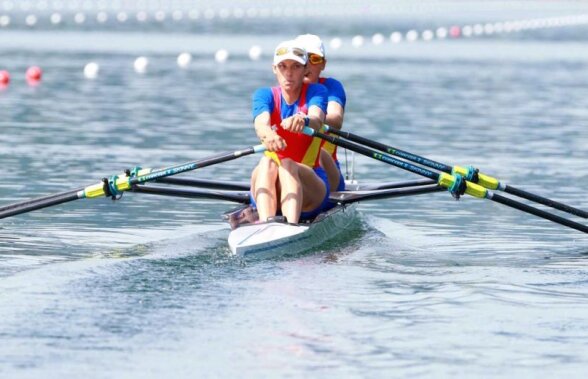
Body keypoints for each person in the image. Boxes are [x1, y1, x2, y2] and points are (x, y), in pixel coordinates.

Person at [250, 40, 330, 224]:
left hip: (312, 184)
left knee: (287, 163)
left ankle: (290, 227)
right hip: (269, 178)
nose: (288, 73)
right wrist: (268, 135)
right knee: (268, 161)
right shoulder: (264, 95)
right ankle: (265, 225)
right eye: (282, 66)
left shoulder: (317, 91)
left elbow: (317, 119)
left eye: (295, 67)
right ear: (274, 69)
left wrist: (304, 119)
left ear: (305, 70)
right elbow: (261, 124)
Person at [295, 34, 347, 193]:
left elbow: (336, 119)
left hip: (326, 170)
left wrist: (309, 120)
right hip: (292, 166)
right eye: (302, 58)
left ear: (323, 64)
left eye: (315, 59)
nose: (308, 65)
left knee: (320, 153)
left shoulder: (331, 87)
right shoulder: (283, 91)